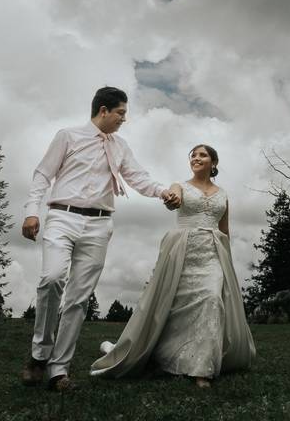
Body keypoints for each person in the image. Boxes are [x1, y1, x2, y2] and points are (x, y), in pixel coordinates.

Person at [19, 86, 181, 392]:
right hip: (62, 216)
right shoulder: (67, 136)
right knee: (52, 279)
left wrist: (163, 192)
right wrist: (31, 211)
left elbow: (139, 178)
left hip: (99, 225)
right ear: (103, 110)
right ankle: (39, 354)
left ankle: (58, 370)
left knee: (79, 299)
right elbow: (42, 174)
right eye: (120, 112)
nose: (124, 119)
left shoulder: (120, 147)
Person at [90, 144, 256, 387]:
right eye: (193, 155)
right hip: (183, 250)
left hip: (212, 252)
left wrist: (228, 260)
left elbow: (225, 229)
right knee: (174, 306)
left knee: (212, 299)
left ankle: (201, 369)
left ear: (214, 163)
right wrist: (171, 199)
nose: (196, 158)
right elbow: (172, 198)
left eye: (202, 155)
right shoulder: (180, 185)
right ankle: (163, 353)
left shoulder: (223, 194)